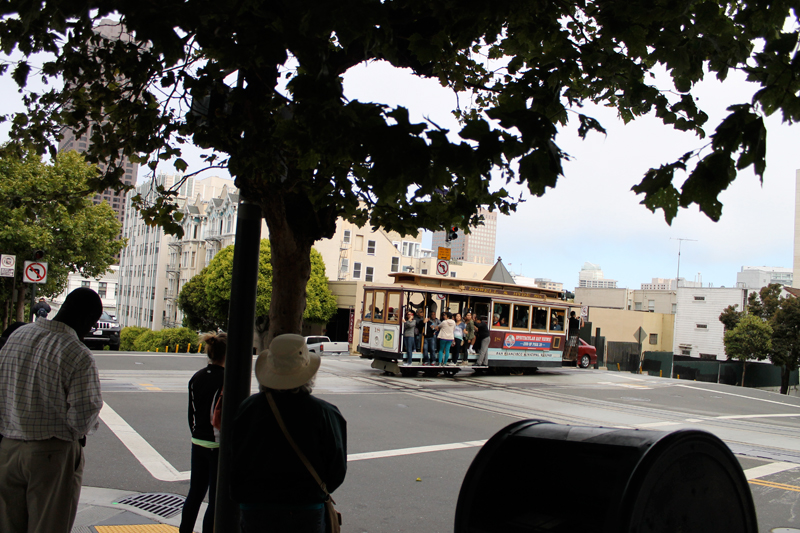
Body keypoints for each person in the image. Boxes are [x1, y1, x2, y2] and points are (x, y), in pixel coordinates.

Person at [0, 287, 103, 533]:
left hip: (8, 450)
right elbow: (81, 418)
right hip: (51, 454)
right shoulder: (78, 354)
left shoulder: (18, 335)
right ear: (88, 320)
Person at [231, 334, 347, 533]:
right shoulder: (325, 413)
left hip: (256, 508)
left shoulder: (248, 409)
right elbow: (337, 469)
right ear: (309, 374)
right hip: (306, 509)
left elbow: (234, 459)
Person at [179, 332, 227, 533]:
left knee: (195, 494)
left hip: (197, 440)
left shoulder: (196, 378)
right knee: (215, 501)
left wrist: (197, 433)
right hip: (217, 445)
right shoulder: (227, 379)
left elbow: (191, 412)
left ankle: (185, 530)